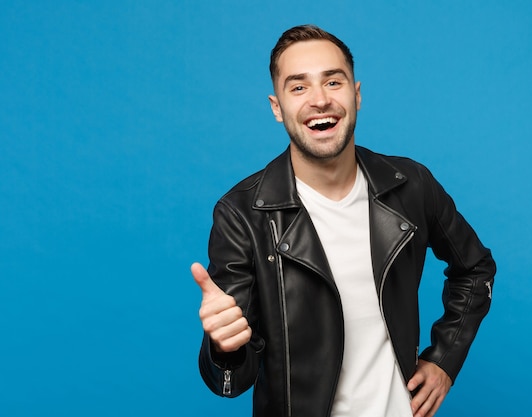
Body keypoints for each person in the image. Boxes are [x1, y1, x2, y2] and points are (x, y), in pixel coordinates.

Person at [191, 24, 496, 417]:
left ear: (356, 94)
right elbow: (234, 383)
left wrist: (443, 360)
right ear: (277, 107)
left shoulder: (411, 186)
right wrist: (224, 347)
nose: (319, 100)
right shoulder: (242, 214)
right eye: (298, 87)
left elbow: (475, 268)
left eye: (333, 82)